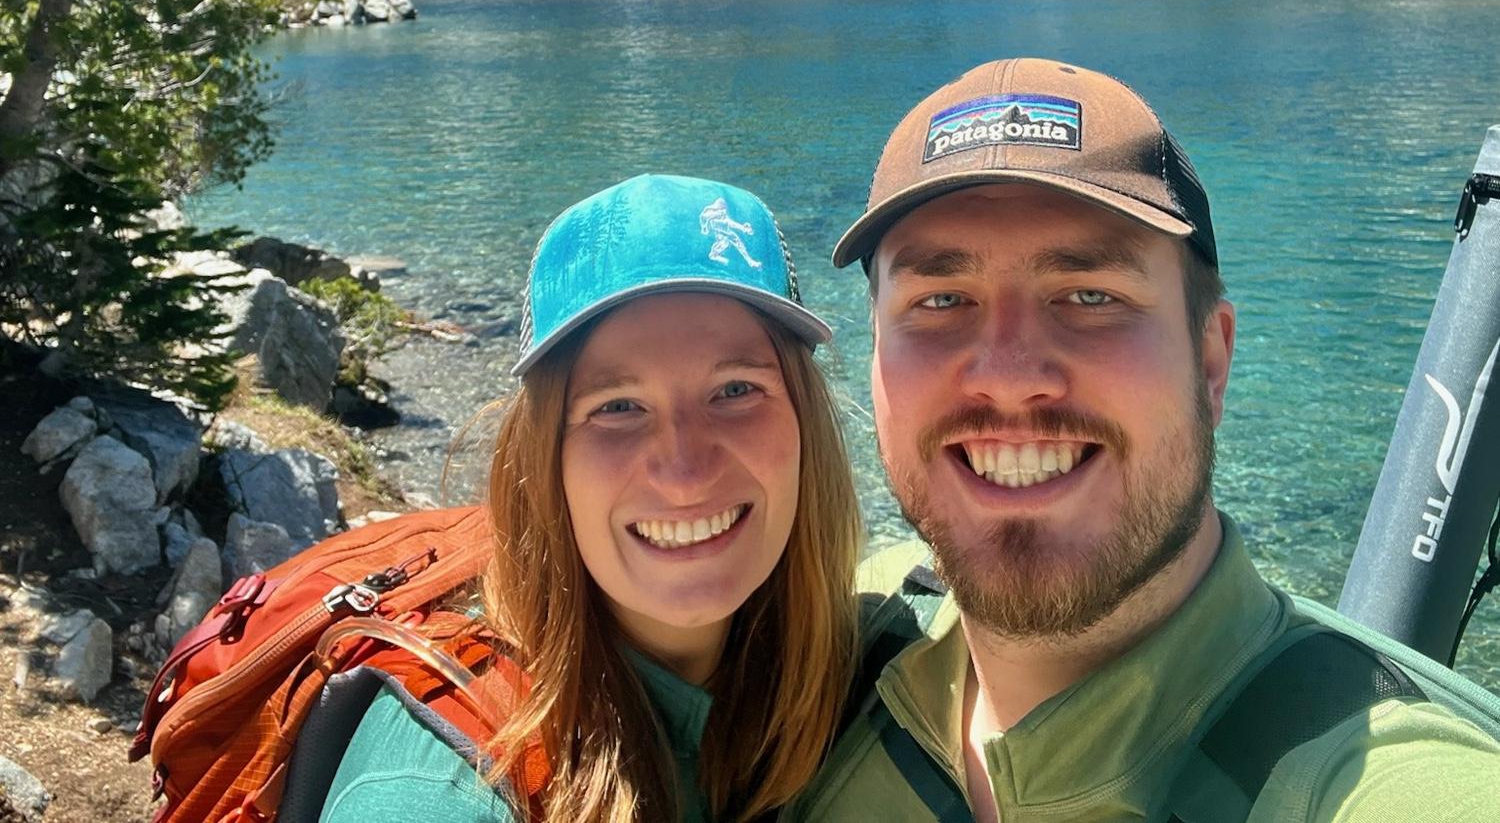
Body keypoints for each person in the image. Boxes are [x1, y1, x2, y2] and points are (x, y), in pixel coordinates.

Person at [783, 57, 1500, 822]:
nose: (1009, 377)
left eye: (1091, 295)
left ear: (1212, 361)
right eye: (941, 300)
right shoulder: (837, 642)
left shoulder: (1370, 786)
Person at [316, 173, 862, 823]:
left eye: (736, 390)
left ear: (804, 419)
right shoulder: (438, 786)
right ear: (546, 458)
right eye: (618, 406)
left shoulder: (842, 667)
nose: (685, 473)